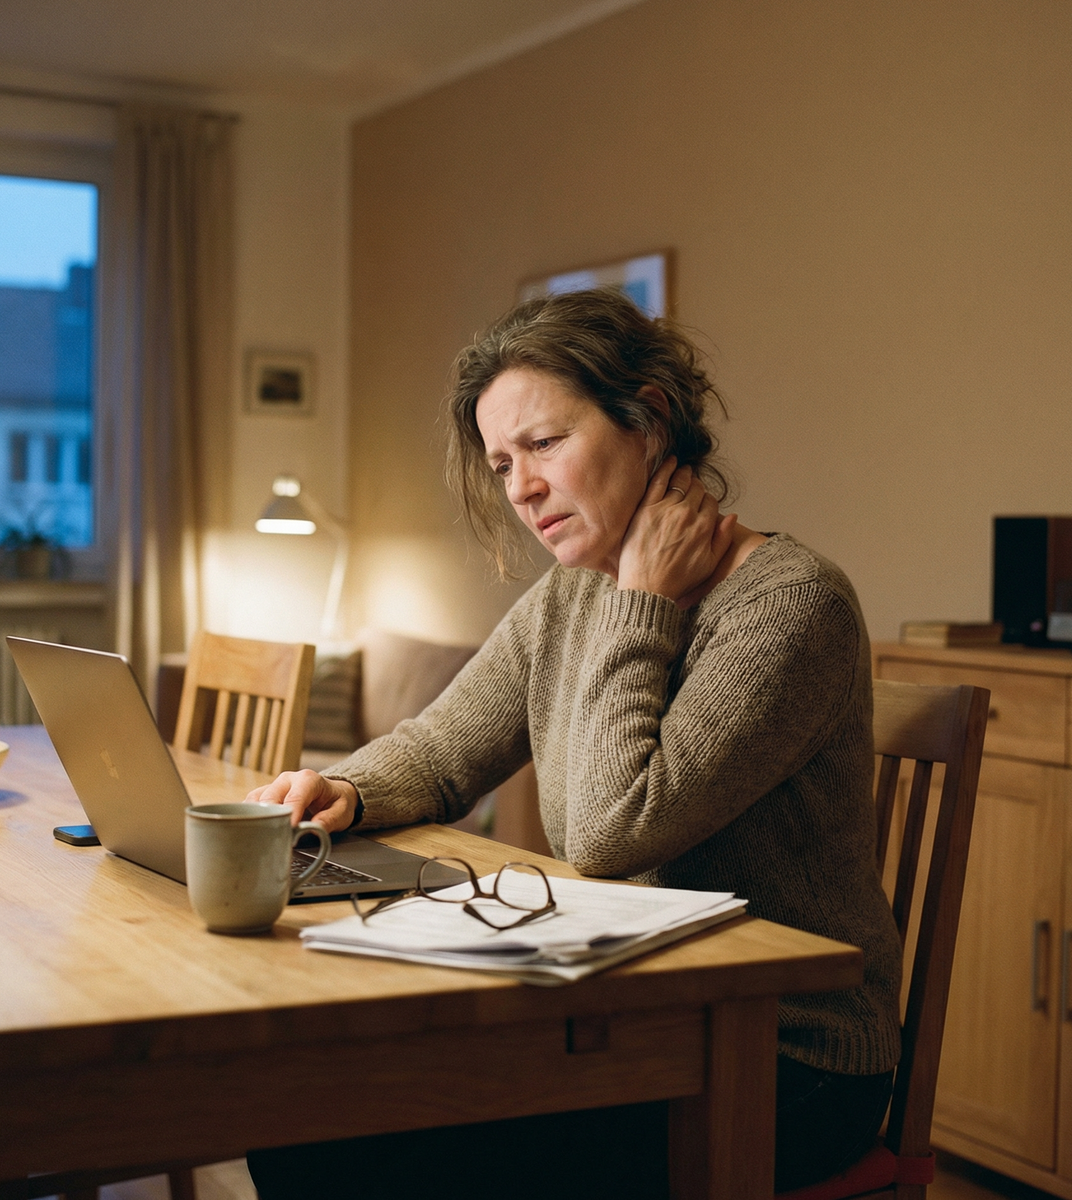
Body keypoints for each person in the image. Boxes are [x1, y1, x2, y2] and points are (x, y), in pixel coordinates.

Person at [246, 288, 901, 1196]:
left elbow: (607, 829)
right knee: (308, 1110)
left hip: (786, 1057)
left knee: (365, 1147)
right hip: (637, 1013)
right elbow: (442, 749)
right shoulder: (570, 595)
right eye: (502, 461)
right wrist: (341, 790)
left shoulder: (792, 606)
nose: (520, 488)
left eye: (545, 444)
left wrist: (641, 600)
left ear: (650, 421)